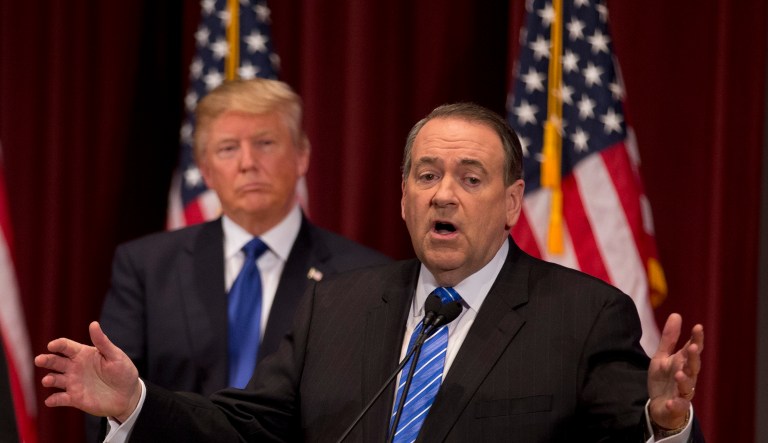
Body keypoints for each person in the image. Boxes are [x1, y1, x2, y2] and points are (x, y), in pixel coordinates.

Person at [37, 102, 704, 442]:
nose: (445, 193)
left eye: (471, 178)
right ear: (404, 198)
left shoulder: (584, 315)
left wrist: (666, 423)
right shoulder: (337, 306)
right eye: (427, 175)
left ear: (509, 201)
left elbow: (633, 429)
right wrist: (137, 401)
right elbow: (247, 426)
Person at [85, 78, 390, 439]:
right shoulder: (146, 267)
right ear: (206, 169)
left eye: (265, 143)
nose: (248, 163)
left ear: (301, 155)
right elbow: (109, 399)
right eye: (228, 148)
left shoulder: (366, 275)